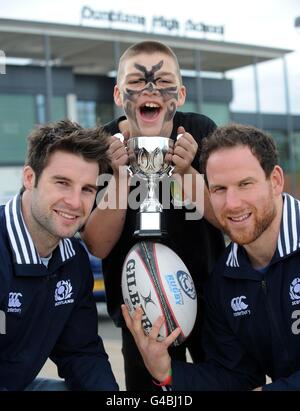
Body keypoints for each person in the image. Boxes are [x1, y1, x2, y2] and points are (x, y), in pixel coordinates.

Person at [82, 40, 225, 390]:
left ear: (181, 92)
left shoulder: (201, 132)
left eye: (163, 82)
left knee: (223, 382)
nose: (151, 90)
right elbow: (97, 245)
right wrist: (118, 179)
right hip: (139, 301)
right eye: (137, 81)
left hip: (209, 297)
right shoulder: (102, 144)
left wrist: (189, 173)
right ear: (118, 93)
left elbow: (230, 221)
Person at [122, 123, 300, 391]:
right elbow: (235, 376)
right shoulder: (224, 280)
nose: (232, 203)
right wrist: (166, 370)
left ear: (275, 180)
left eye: (245, 184)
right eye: (219, 189)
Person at [0, 120, 118, 391]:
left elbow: (81, 353)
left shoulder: (73, 260)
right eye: (62, 183)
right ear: (30, 178)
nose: (75, 202)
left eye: (87, 189)